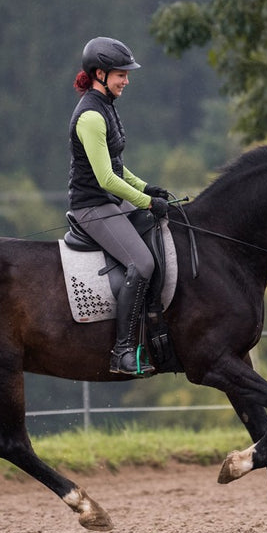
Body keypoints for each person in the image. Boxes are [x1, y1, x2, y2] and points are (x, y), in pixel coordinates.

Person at [67, 36, 171, 376]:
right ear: (100, 73)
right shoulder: (91, 116)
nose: (126, 80)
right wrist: (146, 201)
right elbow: (106, 180)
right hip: (93, 207)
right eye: (120, 74)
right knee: (141, 263)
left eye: (126, 74)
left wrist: (145, 187)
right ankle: (123, 352)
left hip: (111, 204)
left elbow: (115, 165)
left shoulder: (106, 106)